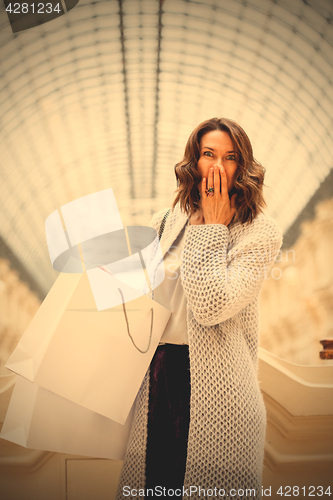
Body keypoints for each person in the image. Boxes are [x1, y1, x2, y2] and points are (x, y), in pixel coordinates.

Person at [116, 118, 283, 499]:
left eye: (230, 157)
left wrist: (212, 227)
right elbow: (142, 298)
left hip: (222, 392)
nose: (218, 167)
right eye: (209, 154)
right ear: (194, 160)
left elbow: (212, 306)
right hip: (157, 382)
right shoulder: (164, 220)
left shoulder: (260, 231)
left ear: (244, 166)